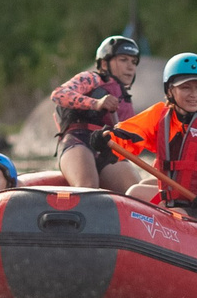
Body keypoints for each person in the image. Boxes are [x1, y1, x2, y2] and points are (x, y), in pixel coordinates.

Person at [92, 52, 197, 216]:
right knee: (134, 194)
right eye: (185, 87)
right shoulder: (161, 115)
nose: (194, 94)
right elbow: (128, 135)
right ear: (170, 91)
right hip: (178, 200)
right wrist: (106, 138)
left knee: (174, 216)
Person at [53, 35, 143, 192]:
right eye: (123, 60)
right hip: (78, 140)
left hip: (107, 148)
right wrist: (96, 103)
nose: (130, 67)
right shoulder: (91, 79)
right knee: (88, 186)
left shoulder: (125, 99)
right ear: (104, 63)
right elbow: (59, 94)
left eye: (133, 62)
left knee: (135, 190)